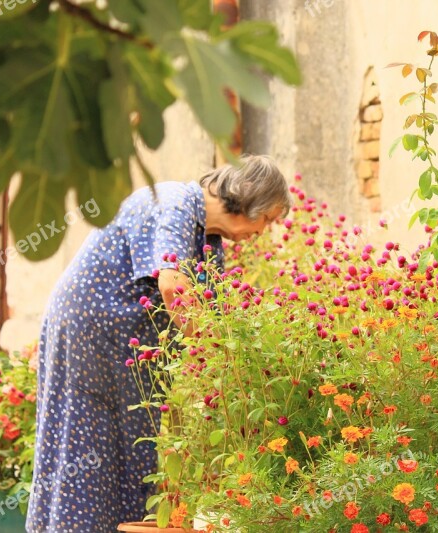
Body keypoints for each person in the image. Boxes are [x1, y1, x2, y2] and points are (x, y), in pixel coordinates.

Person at [26, 155, 291, 532]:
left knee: (131, 447)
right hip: (90, 337)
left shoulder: (209, 239)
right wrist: (211, 354)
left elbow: (211, 312)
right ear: (250, 199)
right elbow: (172, 284)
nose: (263, 231)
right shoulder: (175, 202)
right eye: (267, 219)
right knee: (83, 441)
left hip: (126, 353)